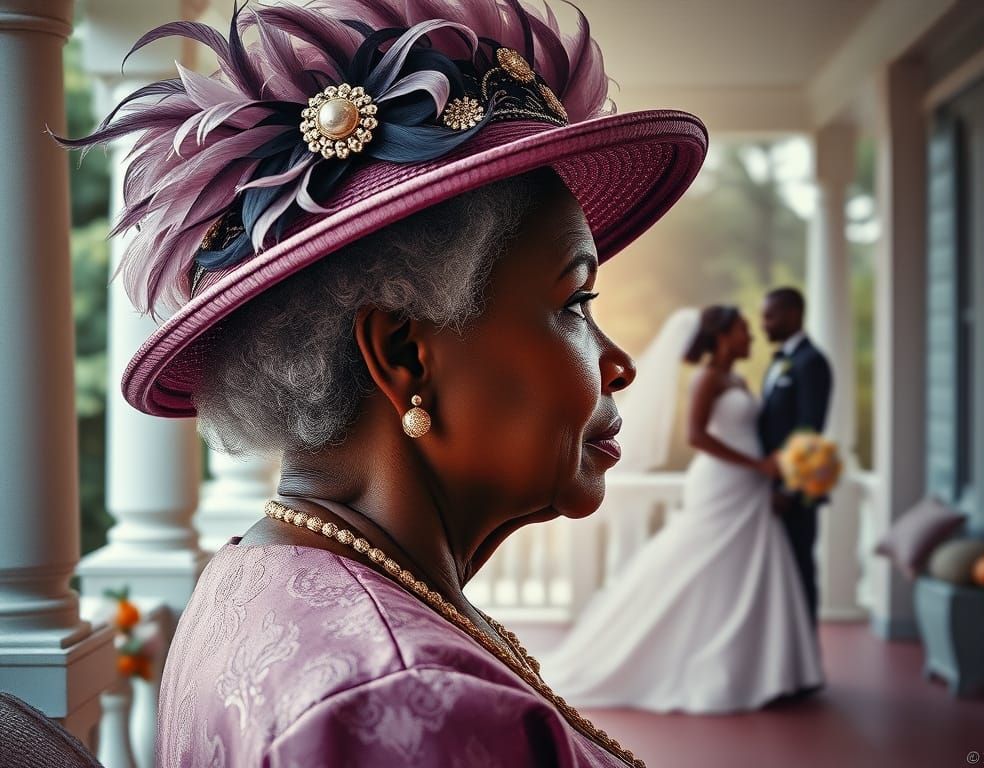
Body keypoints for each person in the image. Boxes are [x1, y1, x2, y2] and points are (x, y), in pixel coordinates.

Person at [58, 0, 707, 765]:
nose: (621, 363)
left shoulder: (258, 572)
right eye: (575, 303)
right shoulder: (406, 702)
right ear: (403, 355)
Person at [539, 306, 823, 714]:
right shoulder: (707, 379)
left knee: (745, 571)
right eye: (744, 330)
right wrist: (756, 466)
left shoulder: (738, 378)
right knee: (695, 564)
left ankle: (759, 670)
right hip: (725, 483)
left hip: (751, 487)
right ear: (723, 336)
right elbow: (696, 436)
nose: (751, 337)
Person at [759, 287, 834, 626]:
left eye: (770, 316)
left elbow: (808, 431)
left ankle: (807, 665)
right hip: (769, 487)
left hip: (795, 492)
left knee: (800, 569)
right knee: (778, 575)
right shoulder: (780, 360)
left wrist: (789, 489)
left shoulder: (811, 362)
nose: (764, 325)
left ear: (793, 314)